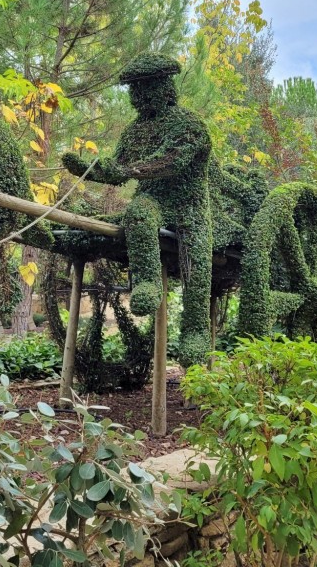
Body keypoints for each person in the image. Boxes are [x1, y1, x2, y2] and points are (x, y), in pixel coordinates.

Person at [62, 54, 213, 366]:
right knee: (138, 212)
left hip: (190, 207)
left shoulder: (189, 125)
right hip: (152, 201)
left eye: (144, 88)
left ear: (165, 88)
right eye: (134, 89)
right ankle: (147, 282)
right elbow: (117, 169)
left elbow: (170, 161)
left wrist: (126, 169)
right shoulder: (134, 131)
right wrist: (88, 169)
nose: (138, 95)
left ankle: (195, 331)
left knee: (196, 265)